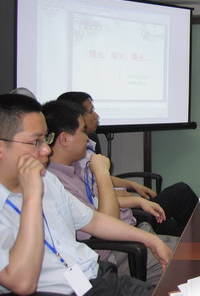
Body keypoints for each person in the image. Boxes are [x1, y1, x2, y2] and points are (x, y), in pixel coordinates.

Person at [0, 93, 171, 295]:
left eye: (46, 138)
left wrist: (151, 240)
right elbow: (22, 284)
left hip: (94, 277)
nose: (46, 149)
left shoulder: (48, 180)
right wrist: (31, 198)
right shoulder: (34, 188)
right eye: (35, 141)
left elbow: (94, 221)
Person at [43, 100, 178, 285]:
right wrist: (102, 172)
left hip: (128, 237)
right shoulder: (55, 181)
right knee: (189, 262)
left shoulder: (73, 169)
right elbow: (105, 224)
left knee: (194, 249)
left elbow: (96, 211)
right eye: (83, 131)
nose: (88, 139)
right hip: (114, 254)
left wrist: (136, 204)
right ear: (65, 139)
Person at [57, 91, 198, 237]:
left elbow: (95, 192)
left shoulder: (81, 156)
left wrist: (132, 187)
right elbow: (98, 207)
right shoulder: (69, 169)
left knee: (183, 229)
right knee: (181, 194)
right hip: (123, 224)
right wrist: (132, 199)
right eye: (91, 111)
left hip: (126, 216)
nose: (96, 115)